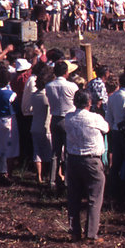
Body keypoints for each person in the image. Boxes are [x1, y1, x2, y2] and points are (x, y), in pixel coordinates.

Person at [63, 90, 109, 241]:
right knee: (94, 198)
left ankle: (75, 231)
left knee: (74, 197)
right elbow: (106, 128)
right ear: (89, 103)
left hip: (74, 160)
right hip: (92, 160)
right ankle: (91, 233)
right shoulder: (95, 118)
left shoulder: (68, 117)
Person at [44, 59, 78, 189]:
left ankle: (52, 181)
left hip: (55, 118)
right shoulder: (72, 86)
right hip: (68, 118)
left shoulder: (49, 86)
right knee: (68, 152)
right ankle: (68, 182)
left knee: (55, 152)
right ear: (66, 72)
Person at [105, 71, 125, 209]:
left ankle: (113, 192)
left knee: (116, 164)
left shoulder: (112, 97)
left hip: (116, 132)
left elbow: (108, 118)